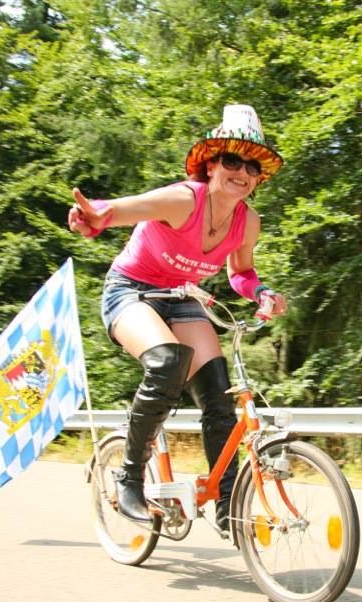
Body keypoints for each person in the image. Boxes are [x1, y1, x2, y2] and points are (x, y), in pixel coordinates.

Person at [68, 104, 287, 532]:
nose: (241, 172)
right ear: (211, 165)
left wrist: (261, 292)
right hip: (131, 290)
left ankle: (227, 504)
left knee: (220, 394)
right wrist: (93, 218)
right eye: (232, 160)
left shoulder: (248, 223)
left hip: (182, 297)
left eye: (252, 167)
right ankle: (129, 478)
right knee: (169, 360)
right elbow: (117, 210)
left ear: (258, 178)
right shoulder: (184, 199)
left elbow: (240, 273)